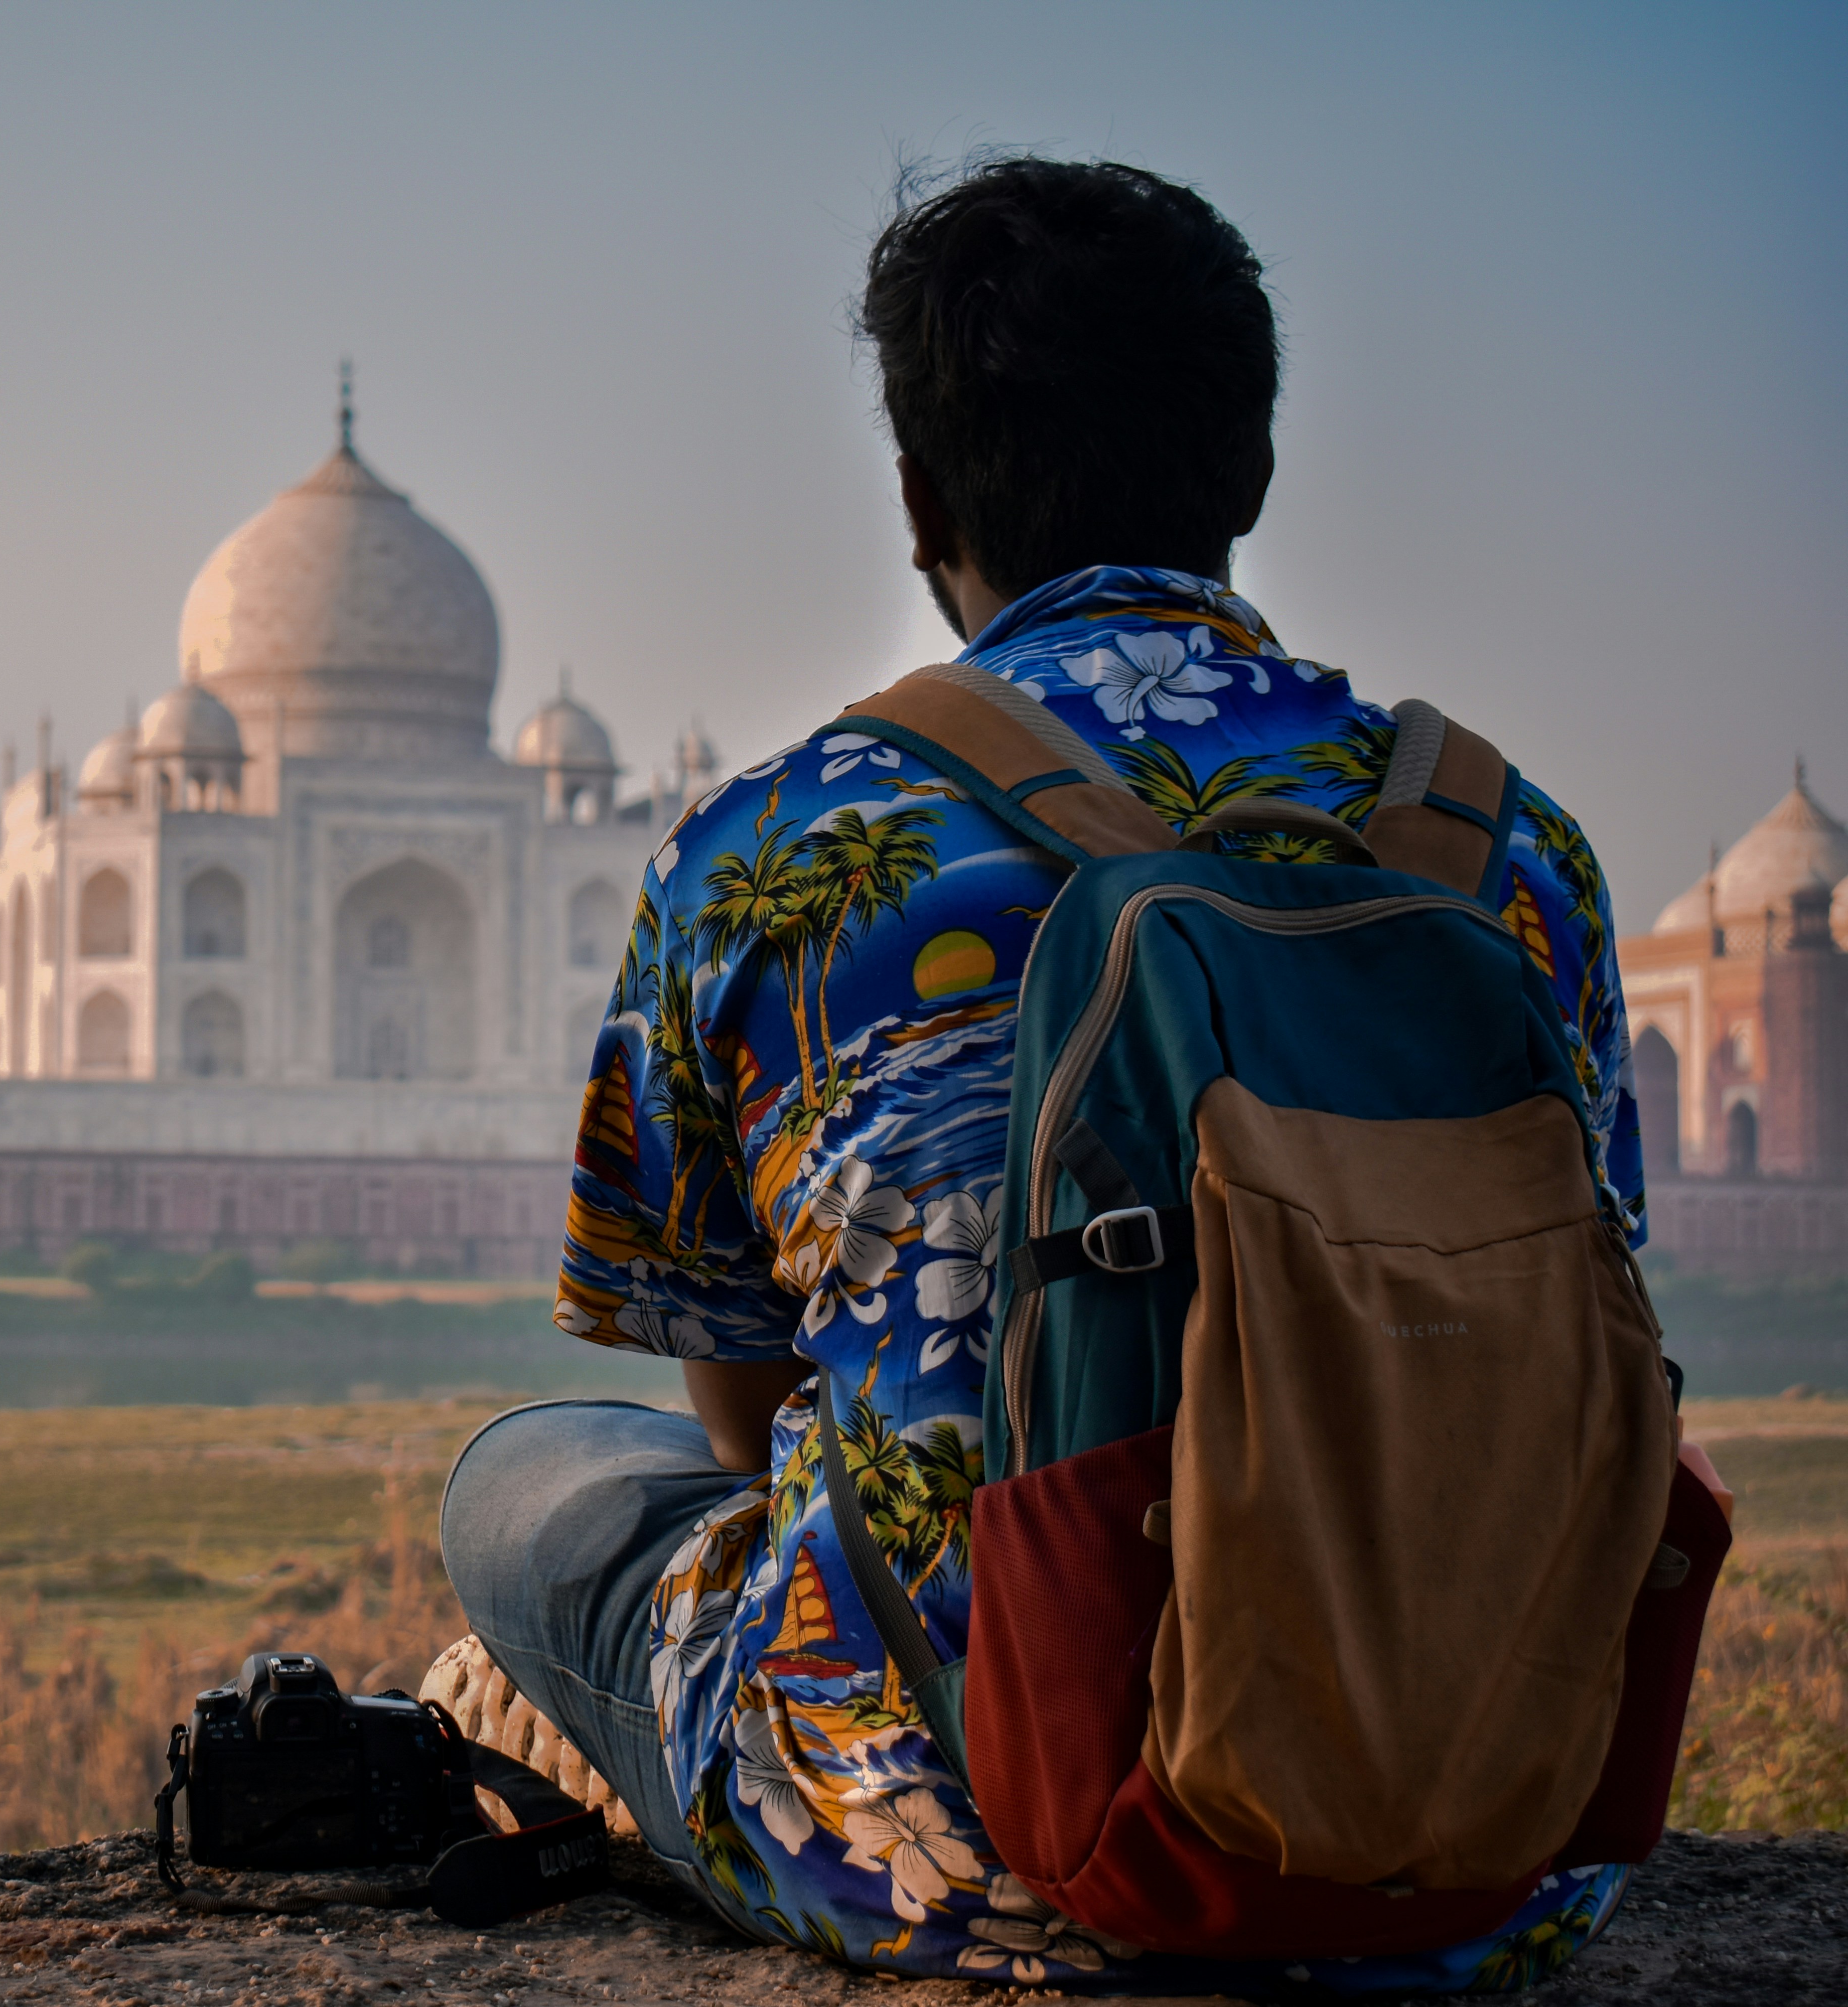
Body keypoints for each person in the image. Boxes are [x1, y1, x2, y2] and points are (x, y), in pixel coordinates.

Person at [440, 157, 1651, 1992]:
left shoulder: (771, 845)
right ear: (1248, 466)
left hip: (954, 1849)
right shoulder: (1511, 851)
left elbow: (745, 1427)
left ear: (920, 494)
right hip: (1492, 1850)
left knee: (532, 1478)